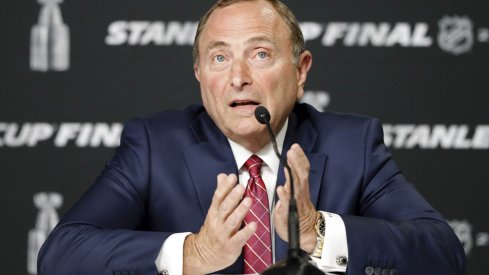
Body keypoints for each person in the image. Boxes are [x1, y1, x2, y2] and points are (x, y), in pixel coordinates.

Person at [38, 0, 466, 274]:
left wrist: (315, 233)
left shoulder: (351, 144)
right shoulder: (154, 144)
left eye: (260, 54)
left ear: (300, 72)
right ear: (200, 75)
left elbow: (444, 253)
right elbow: (61, 255)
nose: (238, 78)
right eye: (219, 57)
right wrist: (194, 253)